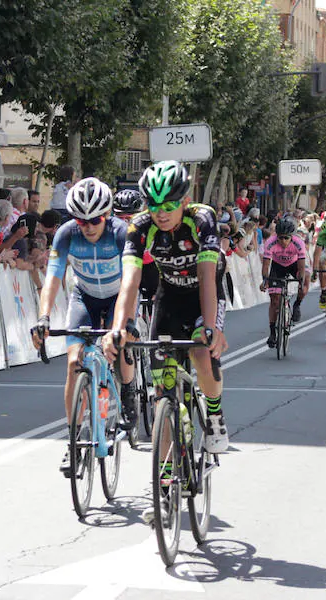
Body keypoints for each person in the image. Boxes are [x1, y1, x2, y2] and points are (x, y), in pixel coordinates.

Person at [101, 160, 228, 459]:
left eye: (169, 204)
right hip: (169, 294)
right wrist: (119, 327)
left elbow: (208, 277)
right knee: (164, 391)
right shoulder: (140, 226)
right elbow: (129, 283)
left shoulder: (202, 219)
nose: (161, 212)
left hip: (204, 292)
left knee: (200, 350)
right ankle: (166, 480)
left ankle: (214, 415)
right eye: (154, 204)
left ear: (185, 200)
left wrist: (211, 328)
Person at [30, 177, 133, 474]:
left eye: (95, 219)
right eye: (81, 220)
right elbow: (52, 278)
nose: (88, 226)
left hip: (118, 296)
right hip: (84, 297)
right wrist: (43, 317)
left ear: (107, 215)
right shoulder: (66, 234)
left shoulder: (120, 233)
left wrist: (120, 325)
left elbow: (130, 281)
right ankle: (74, 441)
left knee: (120, 342)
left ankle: (127, 393)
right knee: (74, 362)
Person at [260, 217, 307, 348]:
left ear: (291, 237)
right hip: (277, 266)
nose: (283, 241)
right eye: (280, 238)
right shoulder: (270, 242)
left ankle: (297, 304)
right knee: (274, 300)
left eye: (286, 238)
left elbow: (302, 267)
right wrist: (265, 280)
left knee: (305, 280)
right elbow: (266, 265)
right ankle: (272, 332)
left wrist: (301, 282)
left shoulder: (299, 243)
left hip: (293, 265)